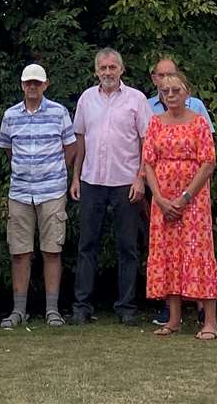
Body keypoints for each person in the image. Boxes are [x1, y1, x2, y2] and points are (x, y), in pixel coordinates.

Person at [69, 47, 148, 326]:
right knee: (86, 245)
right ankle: (82, 307)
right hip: (91, 181)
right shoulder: (86, 99)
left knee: (127, 247)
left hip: (126, 183)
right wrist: (75, 177)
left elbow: (145, 142)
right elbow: (80, 140)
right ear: (96, 71)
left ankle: (126, 307)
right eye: (103, 68)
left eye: (112, 67)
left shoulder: (137, 99)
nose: (107, 72)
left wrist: (141, 178)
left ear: (122, 70)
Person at [0, 63, 77, 329]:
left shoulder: (59, 112)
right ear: (22, 85)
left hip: (52, 191)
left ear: (45, 85)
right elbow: (9, 151)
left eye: (37, 82)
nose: (32, 86)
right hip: (20, 193)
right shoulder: (10, 116)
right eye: (28, 82)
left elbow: (70, 148)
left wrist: (52, 173)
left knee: (52, 250)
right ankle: (19, 310)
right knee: (19, 252)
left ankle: (52, 310)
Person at [144, 73, 217, 340]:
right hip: (162, 201)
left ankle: (209, 321)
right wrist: (160, 199)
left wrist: (185, 197)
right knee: (169, 255)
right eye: (165, 91)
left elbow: (208, 163)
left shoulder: (199, 122)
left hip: (194, 200)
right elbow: (148, 164)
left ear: (187, 92)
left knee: (199, 254)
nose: (171, 95)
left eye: (176, 90)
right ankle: (173, 319)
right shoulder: (155, 123)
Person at [146, 56, 214, 131]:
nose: (166, 79)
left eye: (170, 75)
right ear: (154, 79)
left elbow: (208, 138)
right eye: (161, 75)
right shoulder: (146, 105)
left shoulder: (197, 105)